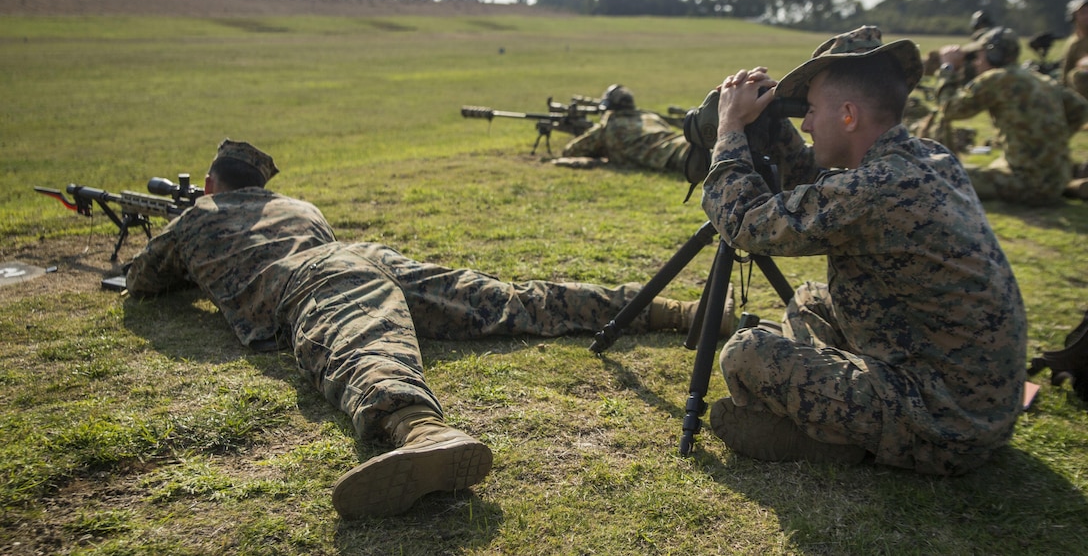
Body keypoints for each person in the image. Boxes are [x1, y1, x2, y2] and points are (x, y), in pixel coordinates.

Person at [125, 140, 734, 519]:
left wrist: (181, 235)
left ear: (211, 186)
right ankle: (671, 310)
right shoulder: (300, 207)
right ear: (263, 184)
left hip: (313, 276)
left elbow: (145, 282)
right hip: (363, 255)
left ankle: (421, 432)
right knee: (503, 298)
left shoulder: (197, 217)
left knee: (357, 337)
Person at [700, 25, 1027, 476]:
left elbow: (744, 221)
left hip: (945, 424)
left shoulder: (875, 190)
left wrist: (729, 127)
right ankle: (835, 415)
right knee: (812, 299)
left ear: (849, 116)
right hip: (978, 400)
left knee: (746, 353)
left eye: (811, 112)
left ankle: (839, 437)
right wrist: (774, 128)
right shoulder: (927, 158)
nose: (808, 124)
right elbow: (820, 191)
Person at [936, 26, 1088, 204]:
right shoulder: (1041, 79)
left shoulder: (997, 79)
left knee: (941, 174)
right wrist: (1046, 141)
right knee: (996, 166)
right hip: (1058, 178)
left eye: (979, 56)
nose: (976, 63)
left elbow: (950, 109)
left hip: (1027, 183)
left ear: (994, 55)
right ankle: (1072, 186)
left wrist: (948, 68)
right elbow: (1081, 109)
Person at [548, 84, 690, 174]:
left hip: (680, 158)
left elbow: (571, 151)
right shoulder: (650, 116)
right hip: (688, 143)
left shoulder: (608, 126)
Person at [1061, 0, 1088, 100]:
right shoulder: (1073, 44)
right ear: (1074, 17)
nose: (1087, 16)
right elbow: (1065, 73)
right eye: (1083, 13)